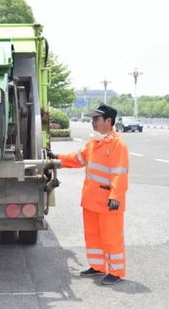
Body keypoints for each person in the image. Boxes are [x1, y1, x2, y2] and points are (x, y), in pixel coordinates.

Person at [47, 104, 129, 285]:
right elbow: (78, 159)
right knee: (93, 235)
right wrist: (56, 157)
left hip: (109, 202)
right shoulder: (94, 142)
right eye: (93, 119)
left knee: (111, 237)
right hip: (91, 200)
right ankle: (98, 267)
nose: (93, 123)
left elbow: (120, 173)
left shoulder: (117, 144)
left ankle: (116, 271)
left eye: (97, 119)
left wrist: (115, 196)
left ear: (109, 121)